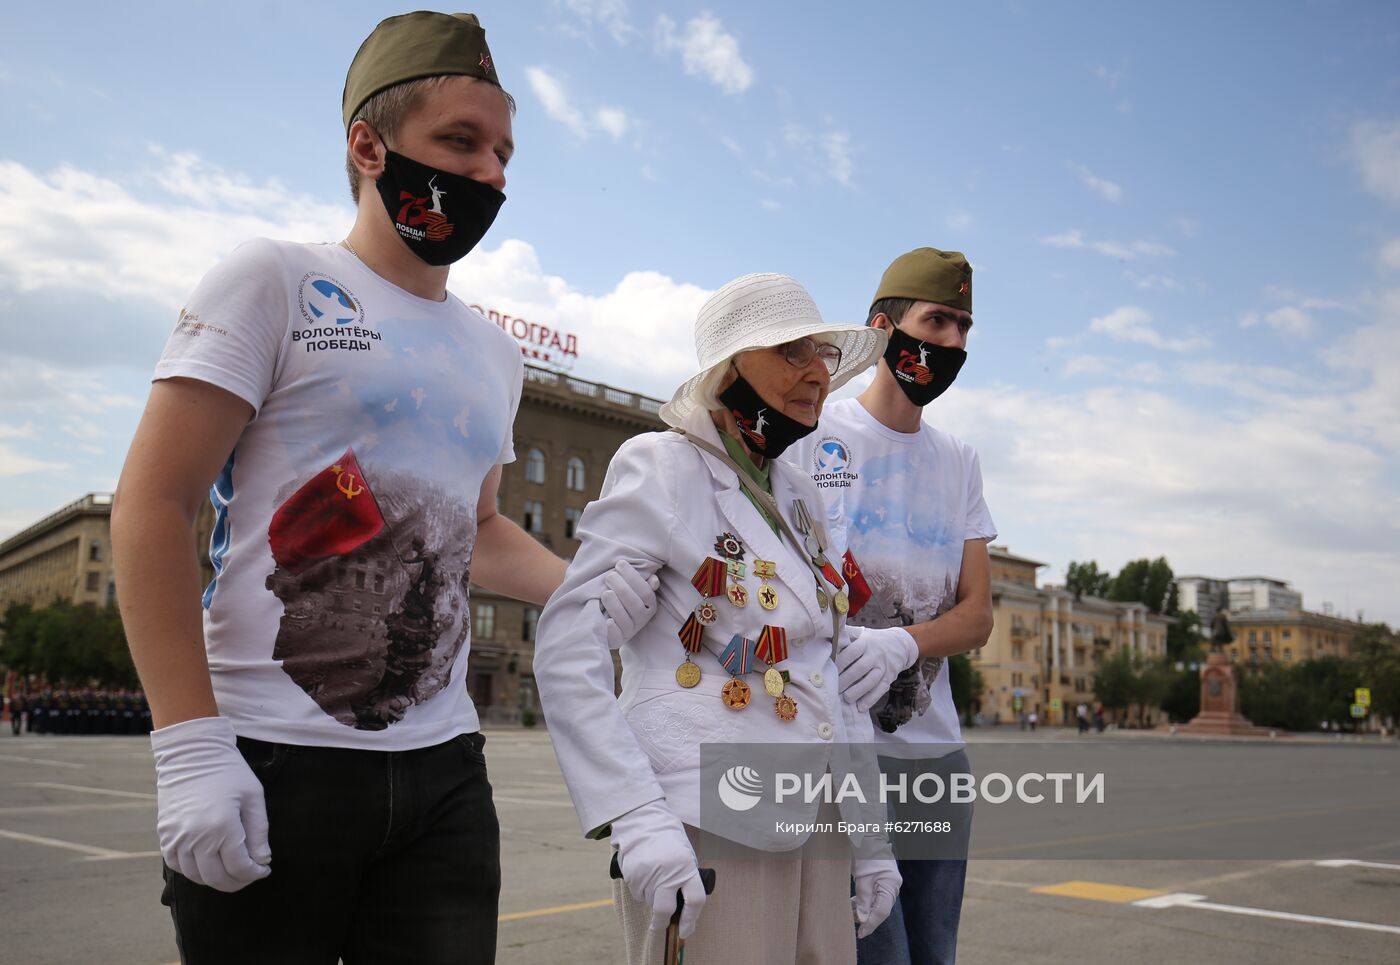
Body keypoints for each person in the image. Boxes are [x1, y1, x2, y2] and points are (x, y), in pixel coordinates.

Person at [110, 13, 652, 964]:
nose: (490, 173)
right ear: (368, 144)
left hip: (444, 773)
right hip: (272, 758)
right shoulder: (275, 279)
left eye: (501, 152)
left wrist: (590, 587)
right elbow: (155, 503)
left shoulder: (491, 351)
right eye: (460, 142)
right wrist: (189, 745)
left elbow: (478, 529)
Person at [534, 273, 904, 965]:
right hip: (708, 819)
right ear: (728, 372)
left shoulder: (801, 499)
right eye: (792, 352)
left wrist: (870, 837)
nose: (818, 373)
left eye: (823, 355)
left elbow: (829, 672)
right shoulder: (662, 466)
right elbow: (566, 647)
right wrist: (637, 815)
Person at [787, 248, 995, 965]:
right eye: (937, 320)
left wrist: (904, 643)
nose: (953, 343)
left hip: (935, 762)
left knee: (934, 955)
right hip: (843, 759)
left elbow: (977, 616)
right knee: (874, 955)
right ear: (882, 326)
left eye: (965, 327)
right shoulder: (816, 436)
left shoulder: (959, 459)